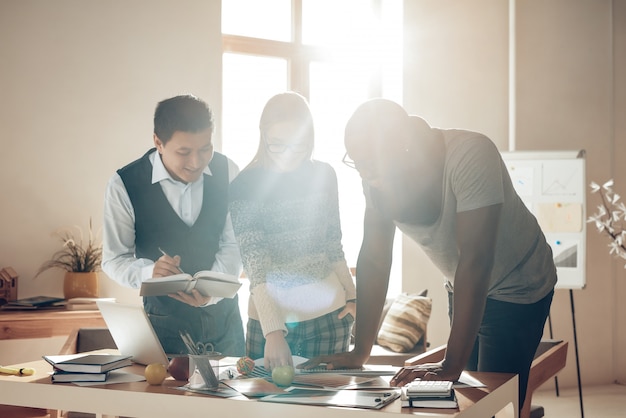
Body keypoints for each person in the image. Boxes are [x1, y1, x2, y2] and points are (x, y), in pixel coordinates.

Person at [304, 98, 556, 410]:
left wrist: (451, 363)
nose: (366, 174)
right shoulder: (376, 176)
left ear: (403, 145)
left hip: (519, 282)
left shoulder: (471, 154)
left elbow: (476, 260)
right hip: (460, 280)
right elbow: (375, 258)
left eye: (371, 161)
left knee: (494, 402)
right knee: (463, 399)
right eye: (357, 162)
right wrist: (361, 350)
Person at [102, 94, 245, 356]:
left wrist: (210, 294)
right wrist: (150, 273)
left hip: (226, 324)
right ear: (158, 142)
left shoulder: (229, 171)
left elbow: (234, 243)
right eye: (184, 152)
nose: (196, 162)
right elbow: (114, 259)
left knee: (233, 397)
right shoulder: (124, 183)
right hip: (163, 329)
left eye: (205, 149)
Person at [228, 92, 357, 371]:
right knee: (264, 410)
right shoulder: (244, 186)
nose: (289, 155)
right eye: (278, 145)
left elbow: (333, 244)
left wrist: (352, 295)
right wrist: (273, 332)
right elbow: (256, 265)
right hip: (269, 324)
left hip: (330, 319)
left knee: (326, 412)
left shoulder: (324, 174)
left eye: (298, 145)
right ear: (263, 136)